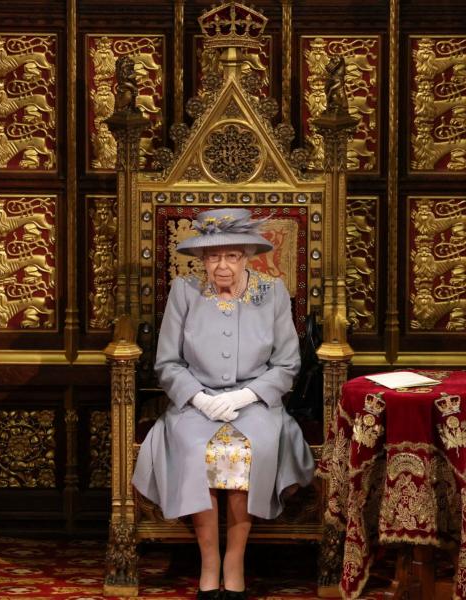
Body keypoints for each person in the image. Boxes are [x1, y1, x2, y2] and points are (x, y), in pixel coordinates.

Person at [133, 208, 316, 600]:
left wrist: (246, 395)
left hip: (256, 402)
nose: (222, 266)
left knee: (250, 449)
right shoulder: (185, 291)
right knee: (196, 448)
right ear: (201, 259)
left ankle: (234, 562)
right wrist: (197, 397)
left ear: (247, 256)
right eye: (213, 256)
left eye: (231, 256)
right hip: (193, 402)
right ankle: (208, 563)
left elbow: (288, 364)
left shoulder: (273, 293)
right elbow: (166, 362)